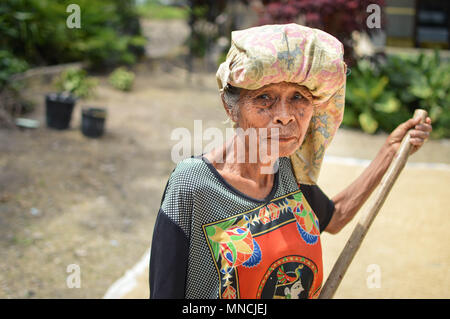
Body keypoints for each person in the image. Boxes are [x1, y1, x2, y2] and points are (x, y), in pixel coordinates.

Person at [149, 23, 432, 299]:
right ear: (231, 107)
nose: (285, 115)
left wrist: (390, 152)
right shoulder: (192, 186)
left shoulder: (288, 171)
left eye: (298, 97)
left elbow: (336, 216)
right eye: (265, 98)